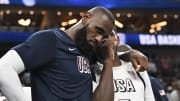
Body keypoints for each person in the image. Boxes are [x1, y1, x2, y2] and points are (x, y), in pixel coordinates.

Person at [0, 6, 148, 101]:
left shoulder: (89, 49)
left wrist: (130, 53)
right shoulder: (50, 40)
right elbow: (3, 68)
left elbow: (113, 53)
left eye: (103, 36)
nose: (98, 39)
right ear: (86, 18)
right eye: (98, 30)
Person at [93, 30, 155, 101]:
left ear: (118, 40)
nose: (107, 40)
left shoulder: (136, 66)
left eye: (111, 34)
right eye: (102, 35)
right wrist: (109, 59)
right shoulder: (90, 73)